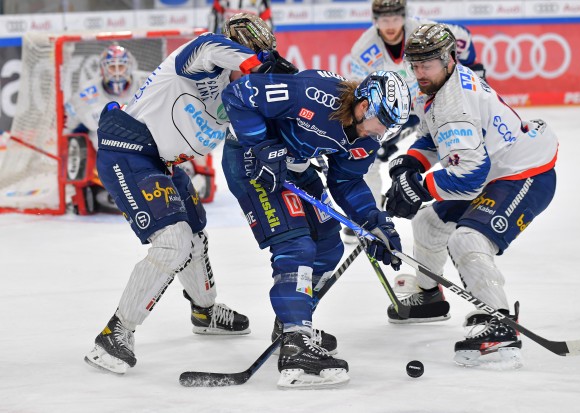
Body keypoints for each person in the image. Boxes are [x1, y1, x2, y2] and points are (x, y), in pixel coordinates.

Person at [83, 30, 280, 375]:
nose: (252, 76)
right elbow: (207, 44)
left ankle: (204, 312)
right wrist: (251, 60)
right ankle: (115, 332)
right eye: (250, 61)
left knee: (195, 237)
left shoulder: (240, 96)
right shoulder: (199, 63)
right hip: (127, 149)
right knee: (173, 242)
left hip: (162, 163)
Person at [221, 69, 411, 388]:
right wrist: (262, 145)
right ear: (364, 105)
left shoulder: (365, 140)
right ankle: (295, 343)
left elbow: (347, 181)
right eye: (384, 119)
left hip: (294, 169)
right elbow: (238, 93)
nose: (384, 130)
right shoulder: (313, 93)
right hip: (252, 162)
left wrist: (374, 222)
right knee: (296, 246)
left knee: (328, 247)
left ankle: (293, 323)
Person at [384, 23, 558, 367]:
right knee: (427, 224)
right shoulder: (437, 83)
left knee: (467, 239)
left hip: (524, 174)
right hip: (494, 167)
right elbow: (434, 138)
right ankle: (431, 297)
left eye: (427, 64)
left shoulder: (455, 104)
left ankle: (500, 326)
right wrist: (409, 165)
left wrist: (418, 187)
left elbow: (470, 178)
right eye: (414, 64)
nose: (419, 72)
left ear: (449, 59)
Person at [349, 0, 482, 210]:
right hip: (393, 112)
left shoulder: (421, 30)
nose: (390, 25)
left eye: (395, 18)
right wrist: (380, 129)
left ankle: (461, 207)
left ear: (404, 16)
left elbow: (462, 35)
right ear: (374, 20)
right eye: (384, 19)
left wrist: (474, 70)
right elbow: (360, 95)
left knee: (453, 147)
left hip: (431, 102)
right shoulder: (362, 49)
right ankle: (370, 215)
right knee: (364, 153)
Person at [65, 43, 217, 215]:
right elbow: (73, 125)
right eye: (112, 66)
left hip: (149, 136)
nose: (117, 71)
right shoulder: (88, 92)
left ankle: (187, 171)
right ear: (102, 69)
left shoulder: (147, 80)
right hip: (116, 145)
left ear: (129, 66)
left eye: (120, 66)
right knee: (92, 135)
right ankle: (110, 182)